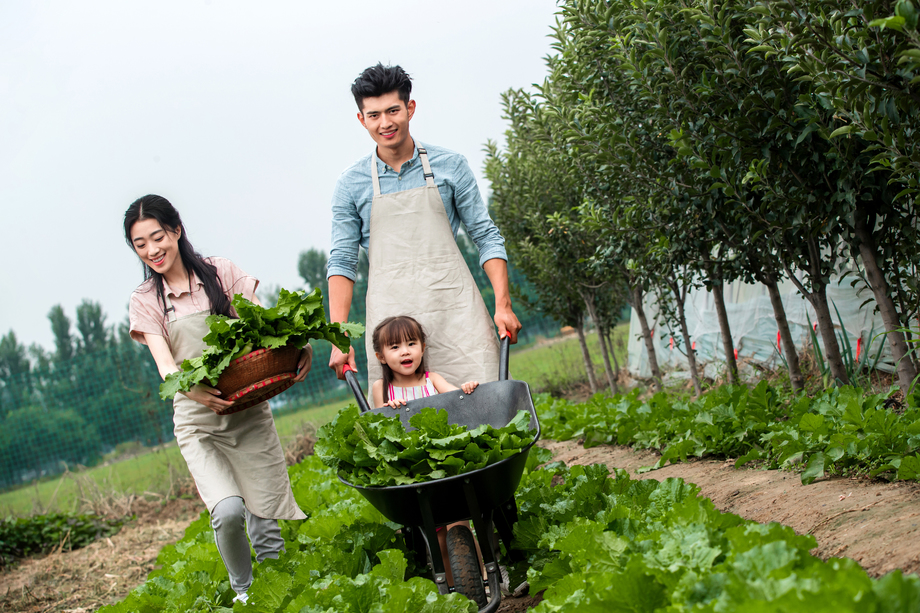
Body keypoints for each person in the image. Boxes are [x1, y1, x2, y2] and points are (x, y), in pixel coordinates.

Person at [124, 195, 310, 605]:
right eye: (140, 244)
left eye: (158, 237)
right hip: (197, 420)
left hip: (247, 411)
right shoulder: (145, 300)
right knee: (227, 512)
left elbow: (261, 326)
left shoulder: (220, 272)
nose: (152, 250)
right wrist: (194, 391)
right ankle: (244, 593)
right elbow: (166, 367)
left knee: (264, 519)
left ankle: (279, 596)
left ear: (176, 230)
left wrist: (295, 348)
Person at [327, 63, 522, 390]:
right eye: (374, 115)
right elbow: (342, 264)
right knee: (406, 426)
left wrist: (503, 305)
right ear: (362, 119)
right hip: (391, 328)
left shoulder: (452, 166)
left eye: (393, 111)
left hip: (457, 316)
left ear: (410, 108)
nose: (385, 123)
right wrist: (338, 336)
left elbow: (486, 237)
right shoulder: (351, 185)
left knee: (485, 409)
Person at [371, 315, 479, 408]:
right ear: (381, 357)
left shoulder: (432, 380)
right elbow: (380, 422)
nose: (405, 352)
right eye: (395, 347)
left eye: (411, 344)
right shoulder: (380, 386)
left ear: (422, 349)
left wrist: (468, 388)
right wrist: (390, 410)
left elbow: (459, 398)